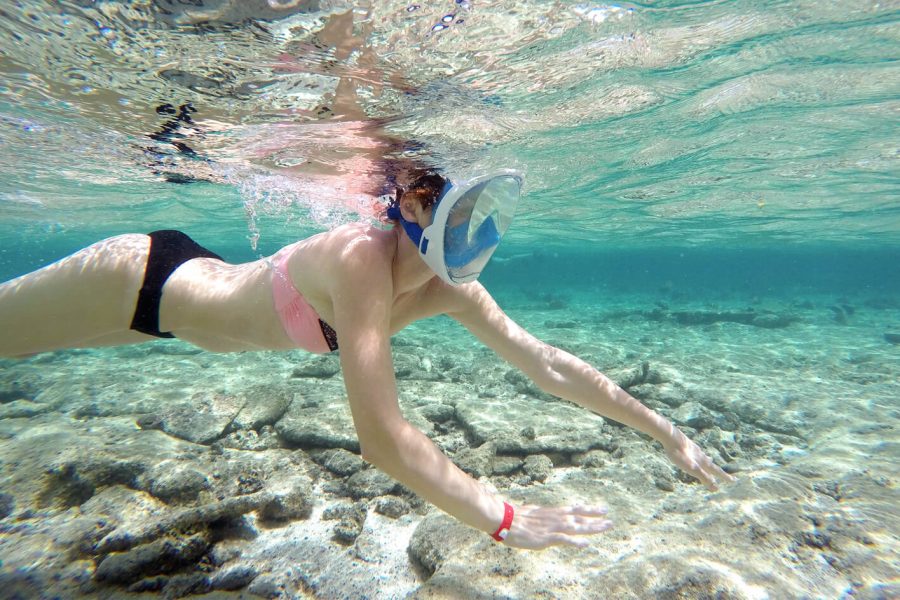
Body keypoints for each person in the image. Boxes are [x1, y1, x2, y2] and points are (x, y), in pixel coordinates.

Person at [0, 169, 734, 550]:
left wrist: (664, 432)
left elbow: (548, 364)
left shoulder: (453, 291)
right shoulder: (359, 261)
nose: (474, 235)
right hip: (136, 279)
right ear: (409, 209)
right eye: (450, 208)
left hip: (164, 322)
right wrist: (502, 515)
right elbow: (381, 441)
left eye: (482, 215)